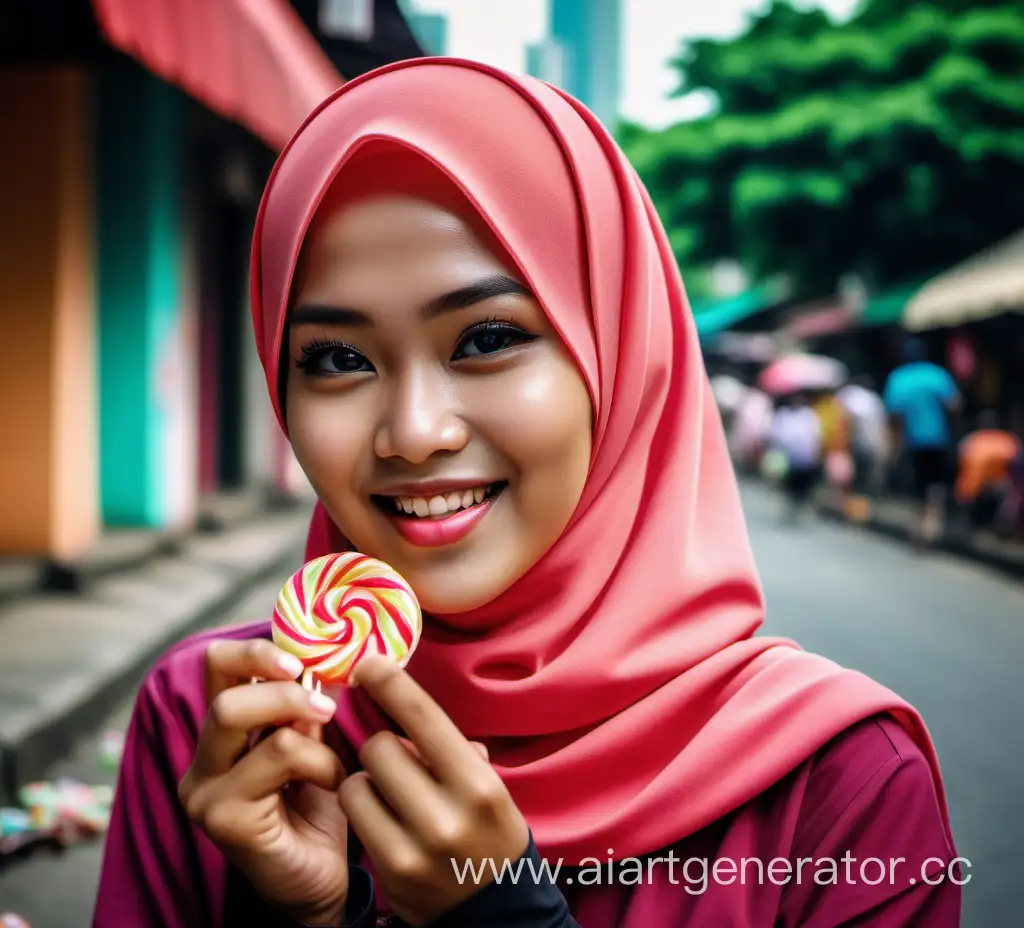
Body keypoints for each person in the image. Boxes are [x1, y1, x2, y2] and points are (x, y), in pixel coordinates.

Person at [93, 59, 960, 927]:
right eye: (335, 358)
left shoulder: (842, 793)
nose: (414, 431)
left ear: (621, 361)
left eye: (489, 337)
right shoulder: (219, 730)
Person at [883, 339, 962, 546]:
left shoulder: (898, 379)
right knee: (935, 485)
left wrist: (893, 447)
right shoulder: (937, 375)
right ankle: (931, 527)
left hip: (912, 442)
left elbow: (894, 417)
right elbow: (954, 405)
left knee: (918, 486)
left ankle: (919, 527)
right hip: (939, 439)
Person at [953, 411, 1022, 533]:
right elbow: (1015, 466)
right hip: (988, 489)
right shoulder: (1008, 441)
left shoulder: (970, 439)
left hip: (968, 490)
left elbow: (959, 462)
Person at [837, 375, 890, 512]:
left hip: (856, 445)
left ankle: (851, 510)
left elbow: (847, 421)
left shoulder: (853, 397)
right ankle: (858, 512)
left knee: (852, 481)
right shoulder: (875, 401)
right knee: (863, 482)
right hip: (872, 445)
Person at [768, 392, 823, 521]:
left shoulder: (810, 415)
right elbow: (775, 433)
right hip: (785, 456)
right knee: (786, 485)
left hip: (804, 457)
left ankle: (800, 510)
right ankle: (788, 509)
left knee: (802, 486)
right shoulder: (783, 414)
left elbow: (816, 436)